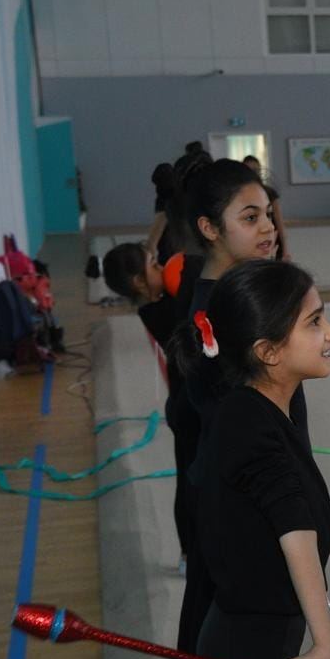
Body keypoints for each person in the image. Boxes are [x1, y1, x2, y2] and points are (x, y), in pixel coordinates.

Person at [174, 158, 316, 659]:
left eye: (269, 213)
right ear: (208, 227)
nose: (269, 228)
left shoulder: (252, 294)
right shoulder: (213, 320)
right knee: (215, 643)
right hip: (232, 510)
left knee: (255, 640)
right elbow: (222, 424)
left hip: (252, 497)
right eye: (250, 217)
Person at [101, 241, 205, 573]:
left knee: (203, 477)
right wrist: (188, 269)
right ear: (138, 283)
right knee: (189, 481)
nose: (161, 267)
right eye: (153, 265)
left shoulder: (163, 302)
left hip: (194, 402)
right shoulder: (159, 312)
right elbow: (191, 305)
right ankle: (189, 552)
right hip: (188, 409)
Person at [243, 155, 291, 261]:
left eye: (255, 169)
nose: (253, 173)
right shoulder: (240, 195)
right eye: (249, 170)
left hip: (271, 238)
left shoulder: (269, 192)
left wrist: (286, 249)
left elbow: (279, 221)